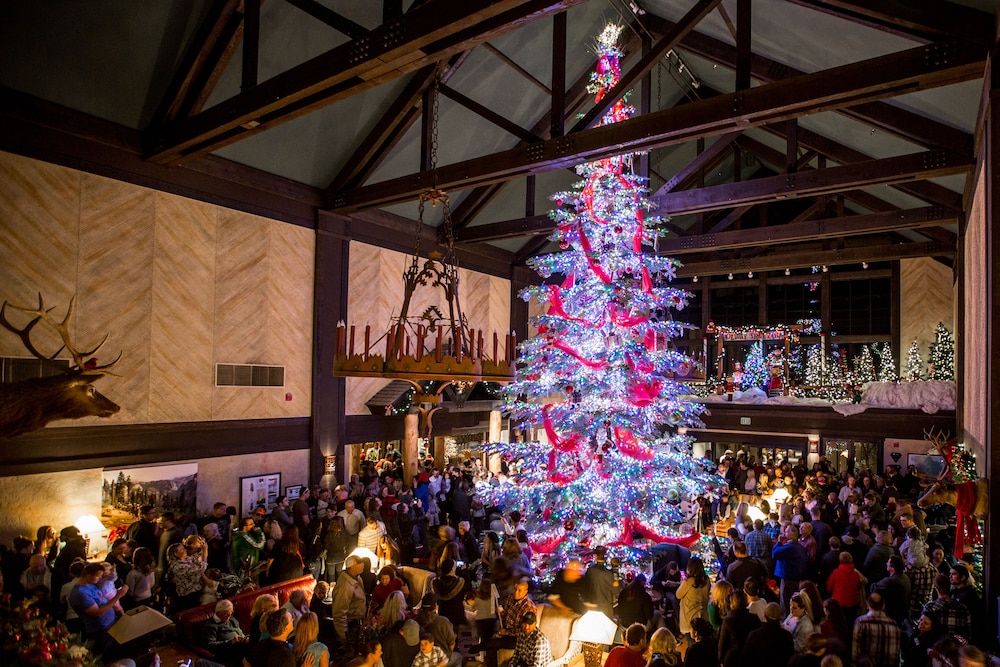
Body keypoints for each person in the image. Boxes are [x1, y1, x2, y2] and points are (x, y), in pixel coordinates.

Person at [69, 562, 129, 657]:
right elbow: (98, 613)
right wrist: (117, 596)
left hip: (109, 625)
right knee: (106, 657)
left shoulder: (91, 583)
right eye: (98, 576)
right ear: (88, 575)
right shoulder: (80, 593)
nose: (100, 578)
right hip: (100, 631)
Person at [479, 578, 535, 667]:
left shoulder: (528, 607)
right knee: (489, 633)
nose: (516, 592)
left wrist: (506, 632)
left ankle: (479, 652)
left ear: (526, 592)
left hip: (519, 639)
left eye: (520, 590)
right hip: (506, 631)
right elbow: (505, 614)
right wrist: (500, 618)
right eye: (515, 589)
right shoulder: (510, 598)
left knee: (492, 644)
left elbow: (525, 631)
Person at [851, 593, 901, 667]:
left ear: (868, 604)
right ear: (883, 606)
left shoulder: (861, 622)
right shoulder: (894, 624)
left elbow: (855, 652)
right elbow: (896, 653)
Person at [331, 554, 368, 652]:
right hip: (350, 628)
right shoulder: (345, 587)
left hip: (357, 626)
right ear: (352, 566)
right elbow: (339, 614)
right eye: (360, 563)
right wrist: (345, 639)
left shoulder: (356, 578)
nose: (363, 565)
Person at [740, 603, 794, 667]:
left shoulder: (754, 636)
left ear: (764, 615)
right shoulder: (787, 636)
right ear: (780, 617)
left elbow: (745, 659)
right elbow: (790, 659)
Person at [717, 590, 761, 667]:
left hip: (733, 658)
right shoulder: (754, 618)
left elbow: (722, 642)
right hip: (750, 657)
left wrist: (720, 659)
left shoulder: (728, 620)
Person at [773, 525, 808, 615]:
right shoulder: (799, 547)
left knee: (785, 602)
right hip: (795, 578)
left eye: (787, 531)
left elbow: (775, 554)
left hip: (787, 578)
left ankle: (786, 620)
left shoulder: (790, 547)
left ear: (793, 534)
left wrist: (779, 542)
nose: (784, 533)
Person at [200, 599, 249, 663]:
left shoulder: (232, 620)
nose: (229, 616)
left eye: (231, 613)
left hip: (240, 646)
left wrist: (245, 638)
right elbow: (210, 645)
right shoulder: (210, 626)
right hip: (227, 650)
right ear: (219, 613)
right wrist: (230, 642)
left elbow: (240, 633)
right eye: (227, 614)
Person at [870, 555, 910, 627]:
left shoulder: (891, 581)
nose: (886, 564)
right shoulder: (905, 577)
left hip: (892, 615)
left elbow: (873, 588)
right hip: (902, 614)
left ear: (892, 568)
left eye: (888, 562)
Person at [677, 557, 710, 643]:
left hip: (689, 617)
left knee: (692, 643)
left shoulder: (689, 582)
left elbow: (678, 595)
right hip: (702, 615)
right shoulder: (706, 580)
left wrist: (682, 583)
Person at [432, 558, 466, 630]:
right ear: (452, 569)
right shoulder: (459, 583)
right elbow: (466, 591)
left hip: (443, 611)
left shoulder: (436, 583)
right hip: (456, 613)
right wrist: (464, 571)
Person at [584, 546, 617, 619]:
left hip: (592, 608)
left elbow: (585, 588)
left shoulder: (590, 571)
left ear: (595, 556)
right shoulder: (609, 573)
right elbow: (616, 590)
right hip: (606, 609)